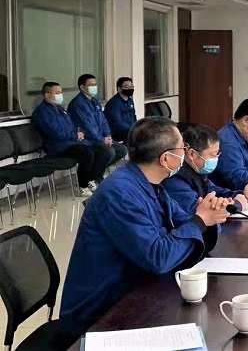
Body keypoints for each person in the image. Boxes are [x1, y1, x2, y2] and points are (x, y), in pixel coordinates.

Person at [60, 117, 231, 338]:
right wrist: (199, 221)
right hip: (102, 312)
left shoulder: (151, 183)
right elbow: (157, 257)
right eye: (182, 149)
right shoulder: (120, 193)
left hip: (139, 290)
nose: (185, 154)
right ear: (166, 158)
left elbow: (184, 221)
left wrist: (209, 216)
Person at [32, 82, 113, 196]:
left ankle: (94, 179)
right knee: (87, 153)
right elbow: (55, 133)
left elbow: (72, 125)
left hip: (73, 142)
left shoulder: (60, 109)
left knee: (103, 150)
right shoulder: (42, 112)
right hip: (58, 147)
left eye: (61, 92)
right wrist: (75, 135)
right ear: (47, 95)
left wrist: (79, 132)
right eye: (57, 93)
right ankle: (82, 186)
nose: (60, 95)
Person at [164, 124, 248, 215]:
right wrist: (237, 204)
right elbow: (197, 212)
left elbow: (214, 191)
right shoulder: (176, 177)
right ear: (192, 154)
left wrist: (243, 195)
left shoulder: (198, 170)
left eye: (217, 154)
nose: (216, 158)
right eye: (213, 155)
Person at [68, 74, 128, 169]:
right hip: (88, 140)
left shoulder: (95, 101)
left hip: (100, 138)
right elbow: (87, 126)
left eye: (95, 84)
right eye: (91, 85)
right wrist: (102, 140)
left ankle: (97, 171)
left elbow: (103, 120)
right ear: (82, 87)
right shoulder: (77, 104)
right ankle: (94, 174)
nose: (95, 87)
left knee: (122, 150)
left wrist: (107, 135)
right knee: (109, 152)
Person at [104, 76, 137, 142]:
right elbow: (117, 121)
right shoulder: (114, 103)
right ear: (119, 89)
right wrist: (131, 130)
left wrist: (136, 126)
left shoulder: (130, 101)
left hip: (130, 130)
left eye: (131, 87)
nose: (130, 89)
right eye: (126, 87)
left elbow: (133, 116)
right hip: (118, 133)